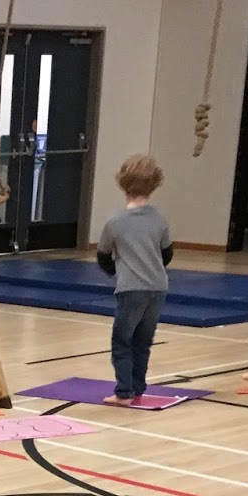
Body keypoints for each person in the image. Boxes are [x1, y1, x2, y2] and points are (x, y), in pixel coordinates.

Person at [96, 154, 174, 407]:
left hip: (131, 289)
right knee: (143, 342)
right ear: (154, 184)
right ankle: (138, 388)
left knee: (122, 341)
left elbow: (103, 256)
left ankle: (124, 392)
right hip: (157, 287)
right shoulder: (159, 219)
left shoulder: (114, 223)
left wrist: (117, 273)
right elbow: (166, 254)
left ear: (123, 183)